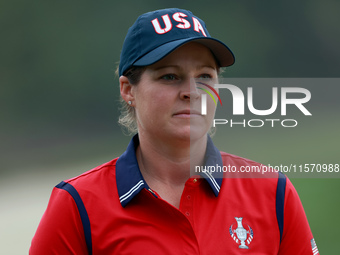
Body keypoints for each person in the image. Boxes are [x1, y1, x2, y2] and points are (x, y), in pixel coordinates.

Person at [30, 8, 319, 254]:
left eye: (205, 76)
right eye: (170, 76)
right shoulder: (77, 204)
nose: (192, 92)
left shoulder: (273, 192)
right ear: (128, 89)